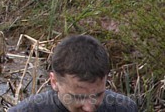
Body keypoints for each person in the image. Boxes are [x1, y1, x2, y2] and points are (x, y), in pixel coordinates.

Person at [9, 34, 138, 112]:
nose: (89, 108)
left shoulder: (124, 108)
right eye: (79, 97)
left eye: (97, 95)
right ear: (54, 82)